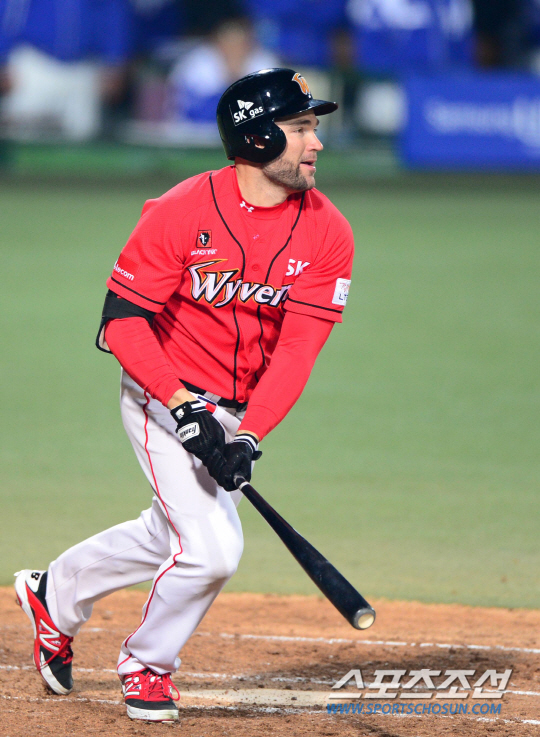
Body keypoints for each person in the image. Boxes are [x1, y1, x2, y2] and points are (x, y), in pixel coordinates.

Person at [14, 68, 354, 722]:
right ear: (257, 137)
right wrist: (180, 405)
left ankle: (54, 591)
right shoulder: (183, 210)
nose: (317, 143)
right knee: (212, 550)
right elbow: (122, 323)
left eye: (314, 127)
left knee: (168, 530)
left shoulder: (328, 232)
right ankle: (147, 663)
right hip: (159, 392)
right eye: (302, 128)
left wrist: (248, 435)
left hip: (237, 408)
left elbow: (297, 350)